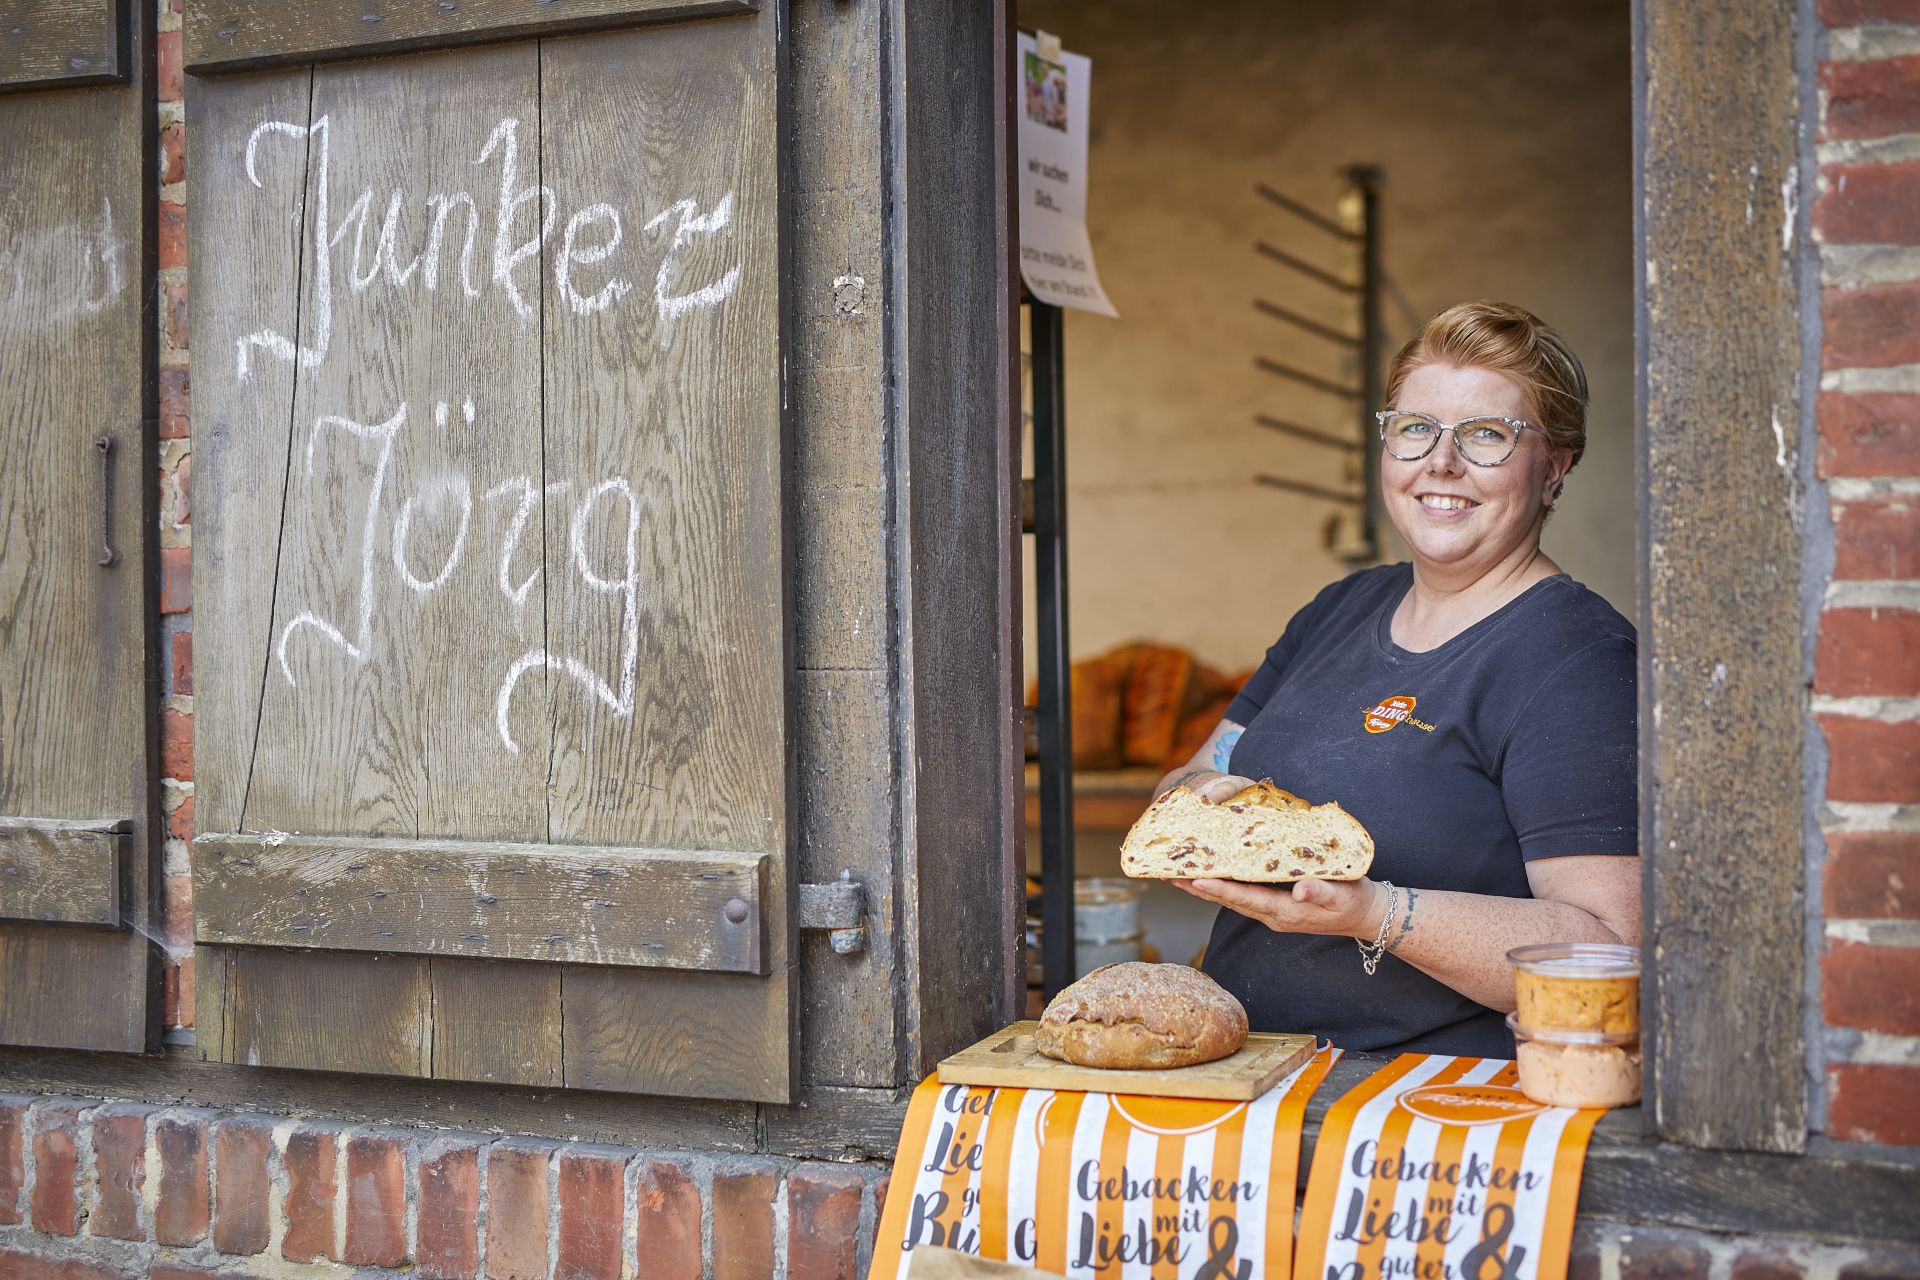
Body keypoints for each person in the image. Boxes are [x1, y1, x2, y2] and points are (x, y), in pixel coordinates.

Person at [1159, 301, 1639, 1057]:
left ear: (1555, 467)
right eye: (1416, 428)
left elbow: (1607, 953)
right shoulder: (1342, 608)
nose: (1439, 463)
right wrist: (1207, 804)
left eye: (1487, 435)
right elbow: (1192, 778)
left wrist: (1373, 911)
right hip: (1250, 1074)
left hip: (1433, 1104)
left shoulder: (1579, 661)